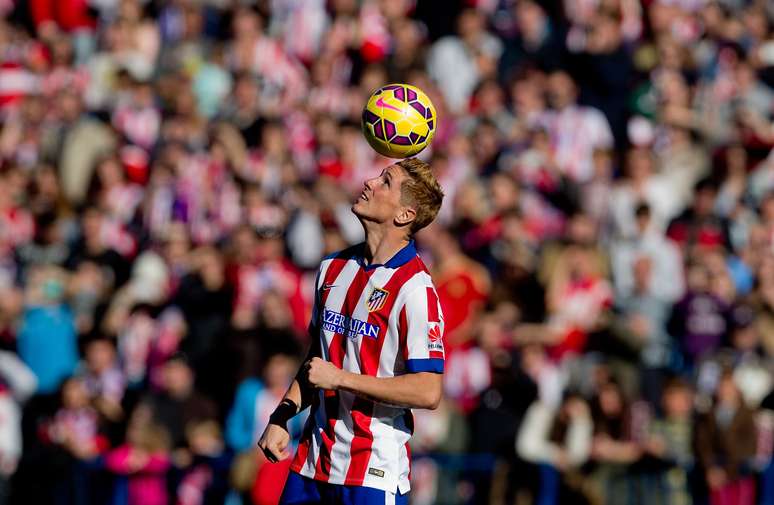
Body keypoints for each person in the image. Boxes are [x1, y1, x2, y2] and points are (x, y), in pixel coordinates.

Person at [258, 158, 446, 505]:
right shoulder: (332, 268)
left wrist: (342, 379)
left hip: (372, 472)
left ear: (405, 215)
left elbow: (428, 390)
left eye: (385, 182)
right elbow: (318, 361)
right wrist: (281, 416)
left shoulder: (416, 289)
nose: (370, 182)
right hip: (312, 465)